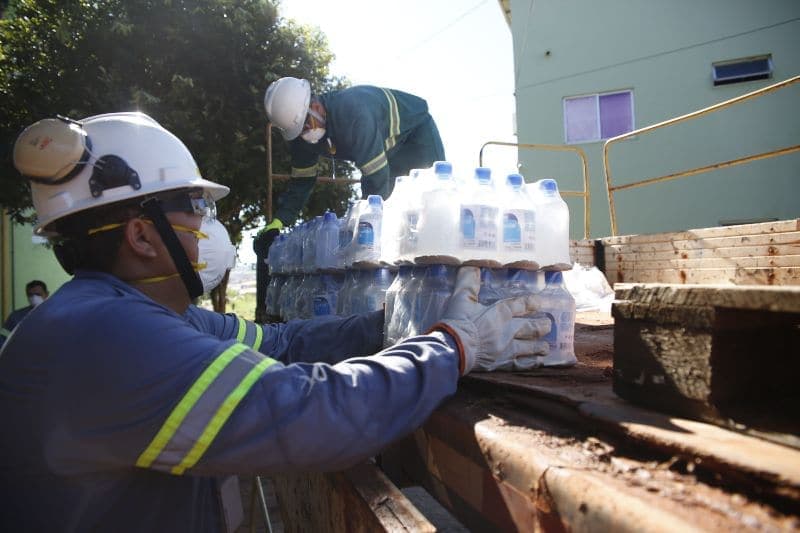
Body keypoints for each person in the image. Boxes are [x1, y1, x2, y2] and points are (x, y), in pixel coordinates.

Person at [0, 112, 549, 531]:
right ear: (142, 236)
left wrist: (402, 318)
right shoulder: (105, 342)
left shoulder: (135, 316)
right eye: (194, 205)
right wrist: (452, 345)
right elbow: (316, 414)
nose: (205, 224)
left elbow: (282, 344)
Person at [254, 77, 446, 320]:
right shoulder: (302, 138)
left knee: (423, 212)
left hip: (415, 137)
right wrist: (278, 223)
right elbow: (301, 183)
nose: (306, 134)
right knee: (383, 222)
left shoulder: (353, 113)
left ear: (315, 105)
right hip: (384, 151)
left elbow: (377, 183)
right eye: (299, 130)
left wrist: (361, 240)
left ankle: (432, 298)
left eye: (307, 124)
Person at [0, 280, 49, 348]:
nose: (34, 298)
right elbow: (2, 338)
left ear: (47, 294)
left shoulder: (55, 315)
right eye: (30, 295)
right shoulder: (15, 317)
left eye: (38, 294)